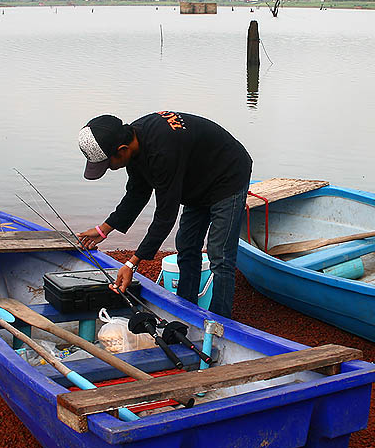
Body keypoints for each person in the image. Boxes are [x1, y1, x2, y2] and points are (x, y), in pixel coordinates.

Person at [76, 111, 252, 319]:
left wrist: (132, 262)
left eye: (108, 164)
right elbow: (137, 193)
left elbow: (165, 216)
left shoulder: (163, 151)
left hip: (228, 176)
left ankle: (219, 322)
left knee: (220, 255)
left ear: (122, 150)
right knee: (187, 246)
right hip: (197, 180)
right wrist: (103, 230)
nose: (110, 169)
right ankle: (187, 311)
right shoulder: (133, 141)